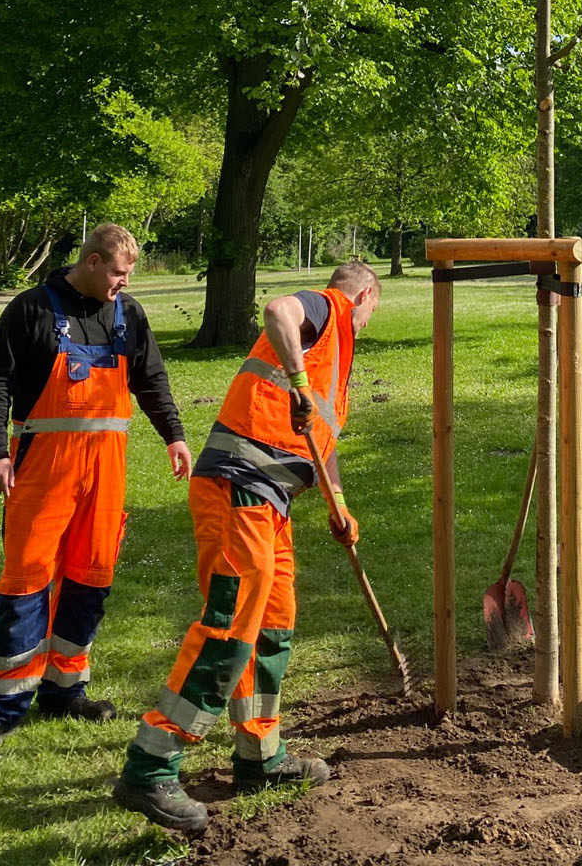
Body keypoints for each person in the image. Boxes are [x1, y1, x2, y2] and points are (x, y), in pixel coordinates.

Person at [112, 259, 382, 833]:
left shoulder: (335, 360)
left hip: (273, 504)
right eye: (372, 312)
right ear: (363, 296)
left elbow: (319, 438)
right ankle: (151, 765)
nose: (367, 323)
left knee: (274, 626)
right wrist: (299, 380)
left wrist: (338, 502)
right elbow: (278, 309)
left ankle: (259, 757)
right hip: (239, 489)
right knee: (230, 624)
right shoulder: (324, 308)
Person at [0, 223, 191, 759]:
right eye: (118, 274)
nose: (122, 285)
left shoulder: (129, 316)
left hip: (106, 474)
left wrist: (174, 436)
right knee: (25, 582)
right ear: (91, 261)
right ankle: (3, 708)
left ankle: (65, 689)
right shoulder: (31, 309)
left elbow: (151, 379)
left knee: (90, 576)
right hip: (42, 470)